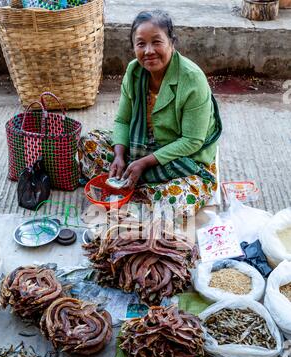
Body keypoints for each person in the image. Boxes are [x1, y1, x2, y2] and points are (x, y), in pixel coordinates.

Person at [79, 9, 222, 214]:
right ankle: (137, 186)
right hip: (142, 147)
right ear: (134, 47)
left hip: (183, 159)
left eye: (156, 42)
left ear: (171, 42)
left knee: (175, 201)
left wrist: (144, 163)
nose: (148, 51)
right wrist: (119, 156)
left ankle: (136, 188)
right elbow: (122, 120)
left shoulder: (192, 80)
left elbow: (192, 141)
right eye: (141, 44)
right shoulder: (133, 71)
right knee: (89, 143)